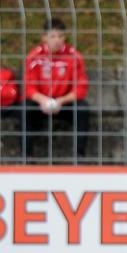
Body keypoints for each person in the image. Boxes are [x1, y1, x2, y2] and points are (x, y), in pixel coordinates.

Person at [23, 17, 89, 159]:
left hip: (63, 103)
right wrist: (42, 100)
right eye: (52, 36)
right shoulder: (35, 57)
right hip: (41, 103)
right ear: (44, 37)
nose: (57, 40)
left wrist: (61, 100)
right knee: (24, 108)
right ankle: (26, 156)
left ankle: (79, 156)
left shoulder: (74, 56)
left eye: (60, 36)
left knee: (82, 108)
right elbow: (29, 88)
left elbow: (81, 88)